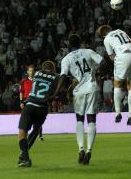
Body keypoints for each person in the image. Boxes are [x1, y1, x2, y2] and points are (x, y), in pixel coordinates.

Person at [52, 34, 104, 165]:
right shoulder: (88, 51)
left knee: (80, 120)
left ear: (69, 45)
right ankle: (89, 151)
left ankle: (81, 149)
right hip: (92, 88)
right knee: (91, 120)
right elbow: (103, 62)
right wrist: (98, 72)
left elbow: (63, 76)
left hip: (79, 91)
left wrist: (56, 92)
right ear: (80, 42)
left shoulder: (66, 59)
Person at [17, 61, 59, 167]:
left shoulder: (37, 74)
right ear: (53, 69)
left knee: (22, 131)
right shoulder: (57, 77)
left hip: (30, 104)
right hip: (43, 107)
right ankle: (23, 155)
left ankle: (25, 157)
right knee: (36, 130)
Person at [97, 25, 131, 125]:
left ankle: (117, 113)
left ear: (103, 35)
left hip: (122, 55)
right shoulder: (120, 30)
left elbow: (112, 57)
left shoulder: (106, 39)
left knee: (117, 84)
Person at [20, 65, 44, 141]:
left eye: (32, 71)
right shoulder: (24, 81)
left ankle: (40, 135)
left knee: (37, 119)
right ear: (27, 72)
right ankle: (26, 136)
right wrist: (21, 102)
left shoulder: (37, 80)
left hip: (36, 101)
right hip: (26, 101)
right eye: (30, 71)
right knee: (27, 119)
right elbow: (21, 92)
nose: (31, 72)